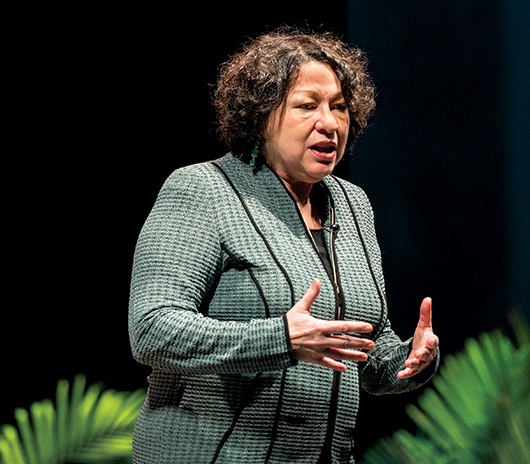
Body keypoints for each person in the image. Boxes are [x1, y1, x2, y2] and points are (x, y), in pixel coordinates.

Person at [128, 28, 440, 464]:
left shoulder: (353, 204)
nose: (329, 123)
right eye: (307, 106)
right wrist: (280, 338)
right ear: (260, 116)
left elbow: (363, 352)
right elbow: (151, 330)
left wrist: (409, 359)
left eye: (339, 107)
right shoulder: (202, 190)